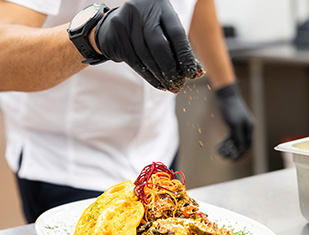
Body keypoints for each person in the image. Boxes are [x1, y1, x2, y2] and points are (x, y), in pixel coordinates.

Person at [0, 0, 254, 223]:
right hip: (71, 166)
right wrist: (94, 35)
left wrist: (226, 88)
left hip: (157, 153)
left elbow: (198, 4)